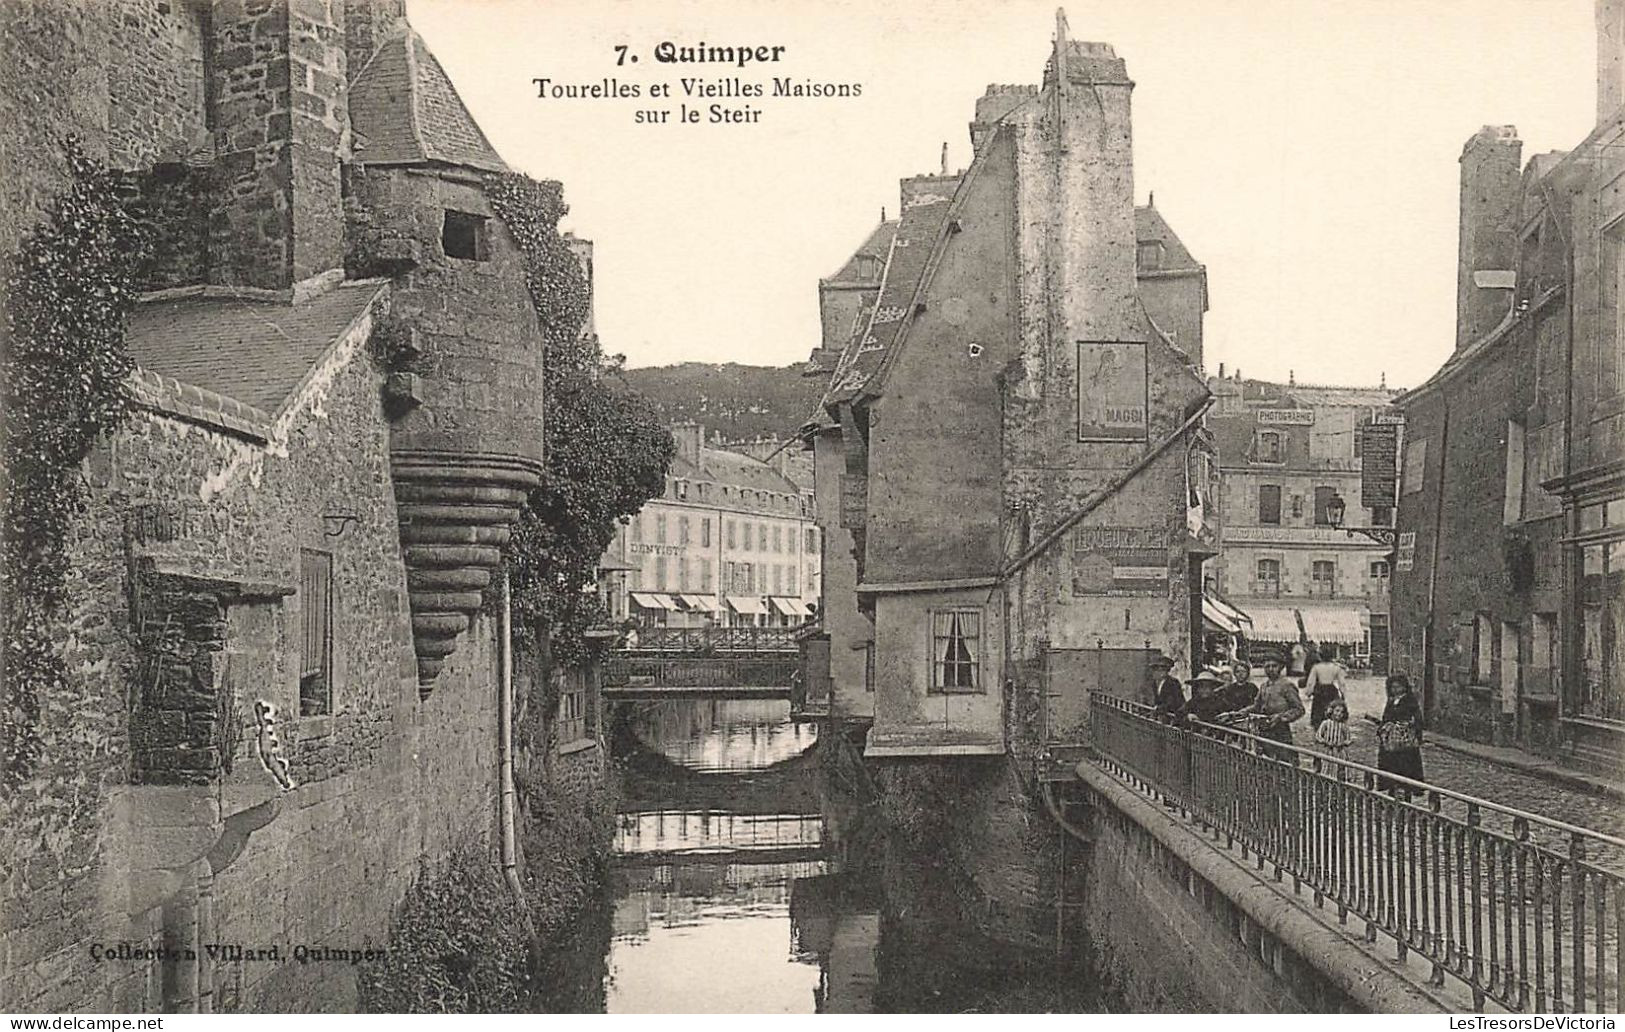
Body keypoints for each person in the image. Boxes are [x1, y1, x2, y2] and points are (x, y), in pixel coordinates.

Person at [1225, 655, 1304, 757]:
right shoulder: (1264, 686)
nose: (1270, 669)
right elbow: (1257, 706)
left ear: (1281, 667)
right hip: (1265, 729)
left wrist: (1281, 717)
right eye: (1267, 666)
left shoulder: (1286, 685)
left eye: (1274, 666)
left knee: (1285, 760)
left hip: (1280, 730)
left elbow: (1299, 709)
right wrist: (1241, 713)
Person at [1366, 673, 1425, 794]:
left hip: (1405, 742)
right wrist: (1383, 729)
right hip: (1390, 741)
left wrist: (1410, 725)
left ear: (1404, 687)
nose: (1396, 690)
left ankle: (1406, 795)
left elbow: (1418, 719)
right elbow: (1385, 717)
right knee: (1390, 771)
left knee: (1405, 772)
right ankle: (1391, 793)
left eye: (1398, 687)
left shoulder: (1410, 701)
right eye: (1393, 687)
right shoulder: (1391, 701)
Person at [1304, 644, 1346, 727]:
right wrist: (1343, 694)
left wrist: (1309, 692)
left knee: (1318, 713)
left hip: (1320, 691)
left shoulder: (1316, 667)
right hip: (1331, 690)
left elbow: (1310, 682)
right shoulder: (1336, 667)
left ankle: (1319, 729)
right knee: (1332, 712)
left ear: (1321, 656)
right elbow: (1342, 683)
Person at [1149, 654, 1184, 719]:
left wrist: (1159, 708)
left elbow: (1173, 701)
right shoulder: (1155, 683)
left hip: (1174, 715)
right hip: (1162, 715)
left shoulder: (1173, 683)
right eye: (1154, 670)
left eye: (1157, 670)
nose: (1154, 673)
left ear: (1164, 672)